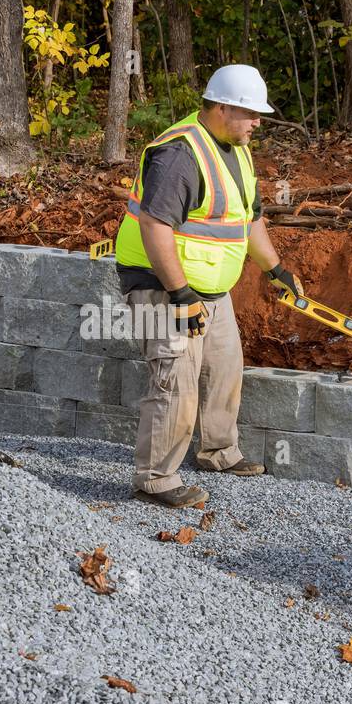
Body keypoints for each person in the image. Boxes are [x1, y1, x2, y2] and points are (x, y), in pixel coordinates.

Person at [114, 64, 304, 508]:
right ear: (221, 108)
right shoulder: (180, 153)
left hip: (209, 289)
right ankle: (155, 479)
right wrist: (180, 294)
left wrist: (276, 269)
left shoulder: (237, 148)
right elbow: (155, 226)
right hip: (161, 286)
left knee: (224, 369)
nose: (259, 122)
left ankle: (218, 452)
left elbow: (248, 218)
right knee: (175, 380)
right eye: (250, 113)